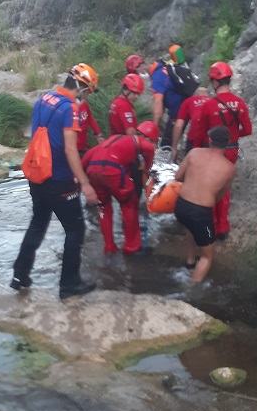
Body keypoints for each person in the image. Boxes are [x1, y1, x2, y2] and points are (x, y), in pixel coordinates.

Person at [12, 64, 100, 300]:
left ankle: (20, 275)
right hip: (59, 180)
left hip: (37, 176)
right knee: (76, 230)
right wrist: (85, 184)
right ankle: (69, 284)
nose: (86, 97)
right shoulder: (70, 108)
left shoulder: (44, 99)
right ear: (81, 86)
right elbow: (71, 150)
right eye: (88, 91)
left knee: (38, 224)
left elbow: (38, 136)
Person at [81, 121, 159, 256]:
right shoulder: (139, 141)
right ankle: (131, 247)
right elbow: (150, 150)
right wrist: (147, 166)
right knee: (129, 204)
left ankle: (109, 246)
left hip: (93, 170)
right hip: (112, 171)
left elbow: (88, 156)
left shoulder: (113, 140)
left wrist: (81, 178)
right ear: (149, 138)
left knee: (104, 207)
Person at [174, 126, 237, 284]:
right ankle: (190, 292)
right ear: (227, 143)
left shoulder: (194, 152)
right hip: (200, 212)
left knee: (191, 226)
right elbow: (220, 195)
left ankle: (189, 262)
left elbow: (178, 177)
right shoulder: (229, 168)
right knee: (207, 256)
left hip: (180, 206)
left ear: (210, 140)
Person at [200, 61, 252, 241]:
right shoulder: (239, 103)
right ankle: (223, 227)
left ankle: (212, 225)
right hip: (232, 151)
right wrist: (234, 136)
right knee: (225, 187)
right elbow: (248, 129)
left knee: (211, 186)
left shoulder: (208, 106)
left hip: (214, 151)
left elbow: (202, 131)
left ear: (214, 81)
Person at [169, 86, 215, 163]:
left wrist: (174, 147)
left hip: (194, 138)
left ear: (195, 95)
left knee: (191, 166)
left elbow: (178, 125)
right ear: (208, 95)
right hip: (212, 140)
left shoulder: (189, 101)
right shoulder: (214, 101)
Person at [75, 92, 102, 158]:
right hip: (73, 149)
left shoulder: (84, 104)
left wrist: (98, 134)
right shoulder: (68, 107)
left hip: (84, 146)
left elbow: (90, 118)